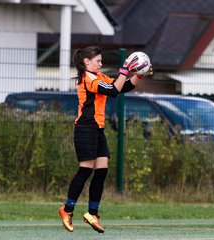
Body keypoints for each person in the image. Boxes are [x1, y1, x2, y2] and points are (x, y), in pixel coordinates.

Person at [58, 46, 152, 233]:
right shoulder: (88, 77)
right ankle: (67, 209)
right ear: (86, 62)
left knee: (101, 171)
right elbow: (113, 91)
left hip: (97, 129)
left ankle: (92, 214)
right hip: (85, 129)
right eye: (98, 61)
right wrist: (125, 70)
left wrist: (139, 74)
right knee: (85, 170)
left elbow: (123, 86)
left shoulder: (99, 76)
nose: (101, 64)